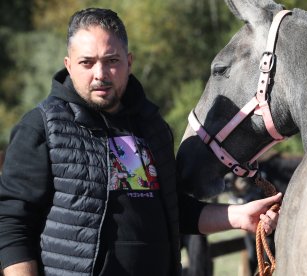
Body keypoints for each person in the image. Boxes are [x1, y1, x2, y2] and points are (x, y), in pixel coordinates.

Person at [0, 8, 282, 276]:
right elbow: (12, 223)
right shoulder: (42, 127)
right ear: (69, 65)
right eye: (87, 62)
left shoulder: (151, 128)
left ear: (129, 62)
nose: (100, 74)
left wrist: (238, 215)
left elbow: (173, 210)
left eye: (112, 61)